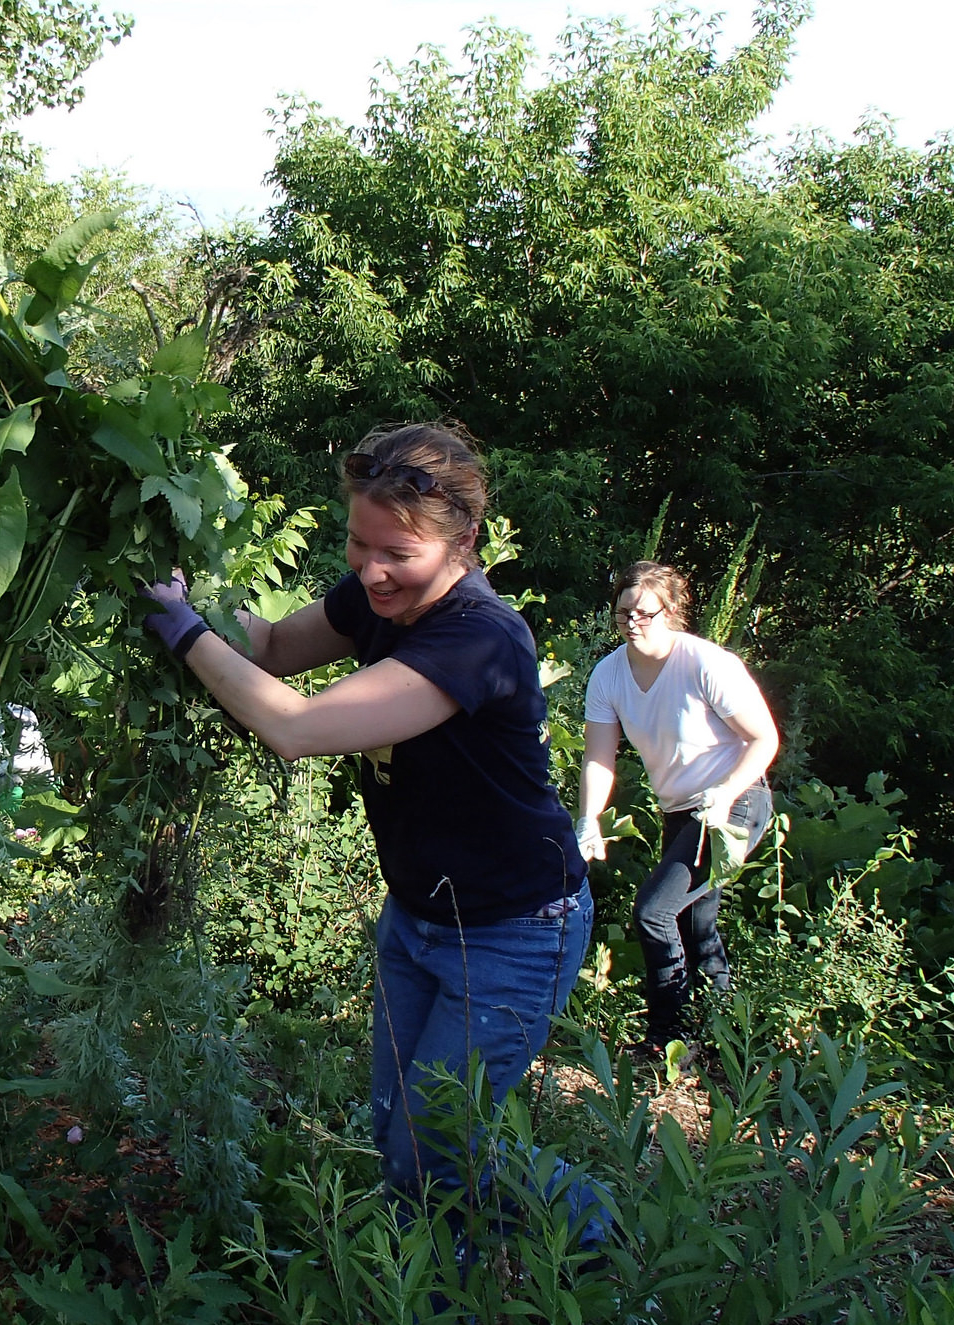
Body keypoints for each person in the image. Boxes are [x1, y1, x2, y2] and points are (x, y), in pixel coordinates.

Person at [144, 421, 593, 1218]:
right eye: (359, 545)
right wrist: (193, 593)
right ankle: (438, 1264)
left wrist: (184, 632)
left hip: (512, 928)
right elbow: (275, 646)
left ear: (463, 543)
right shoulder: (377, 597)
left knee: (433, 1146)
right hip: (418, 914)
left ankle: (596, 1244)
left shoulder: (481, 639)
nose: (373, 572)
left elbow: (297, 726)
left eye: (398, 554)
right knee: (404, 1137)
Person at [575, 561, 778, 1056]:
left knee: (654, 911)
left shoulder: (705, 664)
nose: (632, 622)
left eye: (644, 612)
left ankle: (671, 1037)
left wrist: (727, 791)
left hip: (734, 803)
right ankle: (726, 1042)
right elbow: (600, 756)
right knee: (693, 924)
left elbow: (764, 738)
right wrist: (589, 818)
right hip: (681, 812)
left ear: (672, 612)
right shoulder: (609, 674)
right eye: (623, 613)